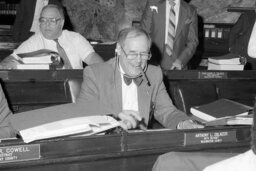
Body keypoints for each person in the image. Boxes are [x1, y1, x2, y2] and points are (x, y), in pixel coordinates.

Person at [0, 4, 103, 69]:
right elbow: (8, 61)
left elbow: (94, 60)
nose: (46, 24)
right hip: (50, 91)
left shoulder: (75, 38)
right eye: (43, 20)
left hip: (79, 88)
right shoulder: (34, 42)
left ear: (61, 23)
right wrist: (13, 65)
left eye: (52, 20)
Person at [140, 0, 199, 71]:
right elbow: (143, 34)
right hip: (152, 63)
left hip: (178, 67)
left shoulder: (190, 10)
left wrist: (181, 60)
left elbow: (193, 41)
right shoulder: (152, 4)